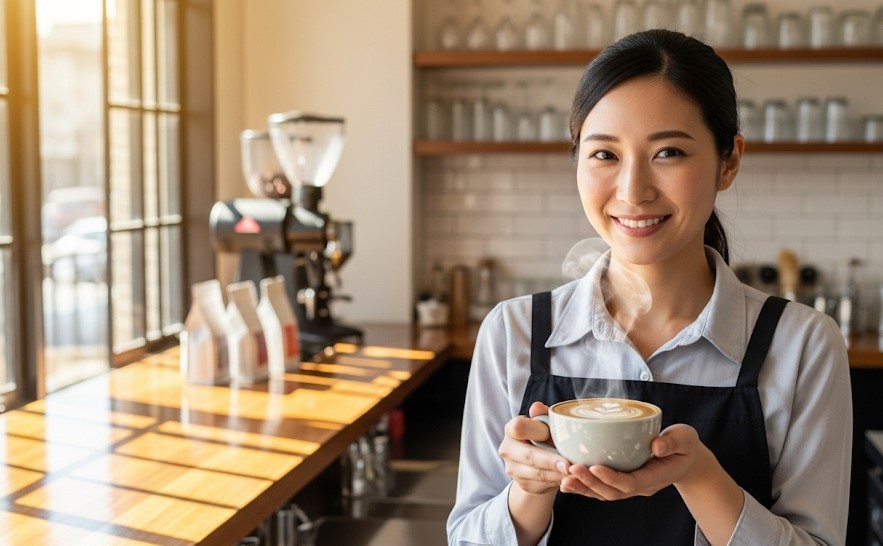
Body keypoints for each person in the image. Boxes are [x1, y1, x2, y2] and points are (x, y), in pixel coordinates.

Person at [447, 29, 852, 546]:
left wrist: (699, 475)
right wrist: (529, 491)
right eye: (604, 155)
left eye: (668, 153)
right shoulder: (514, 332)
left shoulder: (802, 345)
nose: (633, 191)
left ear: (728, 161)